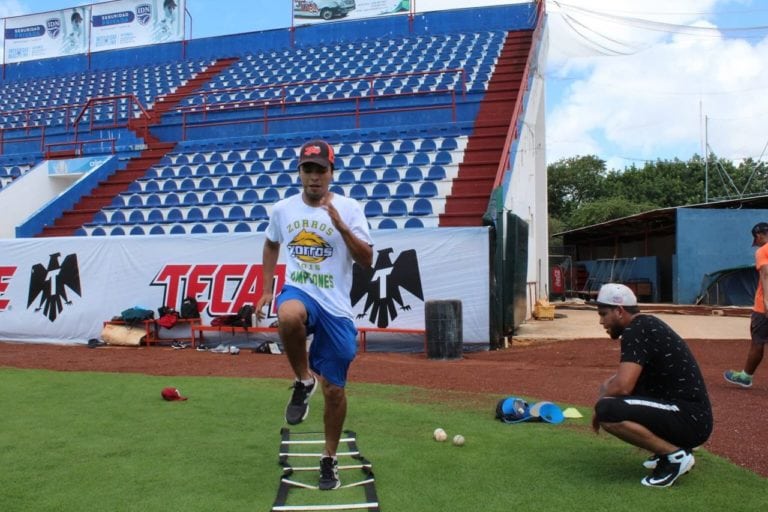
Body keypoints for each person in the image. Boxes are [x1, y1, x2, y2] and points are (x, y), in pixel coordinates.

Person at [256, 139, 373, 491]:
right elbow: (271, 243)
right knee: (288, 314)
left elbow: (367, 259)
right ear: (299, 173)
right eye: (308, 169)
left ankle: (329, 457)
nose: (314, 177)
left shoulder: (349, 208)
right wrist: (267, 288)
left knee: (334, 390)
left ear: (331, 173)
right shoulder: (283, 209)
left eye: (321, 170)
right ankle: (303, 380)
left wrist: (341, 226)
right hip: (301, 291)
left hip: (336, 307)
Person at [592, 283, 712, 488]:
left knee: (607, 410)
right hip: (691, 417)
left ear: (619, 311)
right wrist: (605, 388)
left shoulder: (636, 330)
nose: (601, 321)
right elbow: (620, 380)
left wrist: (599, 407)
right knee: (613, 391)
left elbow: (623, 386)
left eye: (604, 314)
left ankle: (675, 456)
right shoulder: (646, 325)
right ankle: (670, 449)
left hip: (689, 419)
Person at [724, 222, 768, 388]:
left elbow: (766, 274)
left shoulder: (763, 251)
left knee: (758, 342)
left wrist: (767, 301)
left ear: (758, 235)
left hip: (763, 308)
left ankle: (745, 377)